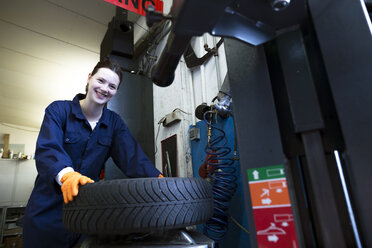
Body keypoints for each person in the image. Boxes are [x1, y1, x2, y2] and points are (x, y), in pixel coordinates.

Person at [23, 59, 163, 248]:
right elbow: (48, 150)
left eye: (112, 86)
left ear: (116, 92)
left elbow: (133, 158)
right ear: (89, 78)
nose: (105, 88)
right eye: (101, 81)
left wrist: (161, 183)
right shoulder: (58, 111)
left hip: (86, 216)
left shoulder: (114, 124)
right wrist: (67, 175)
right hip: (46, 214)